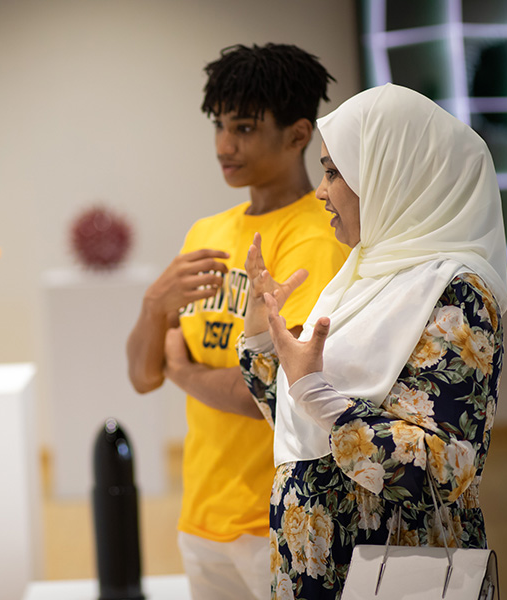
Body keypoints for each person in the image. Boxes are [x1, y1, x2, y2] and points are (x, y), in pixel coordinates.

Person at [237, 83, 507, 599]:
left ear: (393, 174)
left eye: (335, 172)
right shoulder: (361, 277)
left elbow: (449, 467)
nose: (321, 191)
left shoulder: (457, 291)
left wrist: (327, 403)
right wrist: (260, 334)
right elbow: (300, 419)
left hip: (397, 570)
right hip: (318, 568)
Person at [126, 43, 349, 599]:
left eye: (244, 128)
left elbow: (269, 391)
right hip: (201, 510)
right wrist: (154, 306)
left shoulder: (316, 236)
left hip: (275, 513)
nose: (225, 144)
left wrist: (183, 373)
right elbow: (142, 376)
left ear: (298, 135)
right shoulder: (207, 232)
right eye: (220, 125)